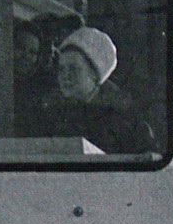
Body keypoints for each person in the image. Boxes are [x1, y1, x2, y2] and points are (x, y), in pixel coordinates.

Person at [35, 25, 155, 154]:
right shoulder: (50, 115)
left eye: (73, 69)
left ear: (94, 73)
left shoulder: (125, 121)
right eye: (61, 69)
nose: (65, 76)